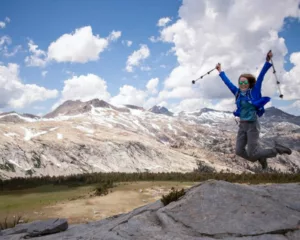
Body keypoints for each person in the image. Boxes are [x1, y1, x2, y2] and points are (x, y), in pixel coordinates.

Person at [216, 51, 292, 169]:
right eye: (240, 82)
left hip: (252, 125)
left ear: (249, 83)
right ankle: (261, 157)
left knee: (252, 153)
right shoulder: (237, 93)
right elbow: (227, 83)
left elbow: (261, 76)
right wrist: (220, 71)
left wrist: (267, 61)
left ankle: (277, 150)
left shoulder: (254, 91)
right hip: (242, 126)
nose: (242, 84)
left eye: (244, 82)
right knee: (239, 151)